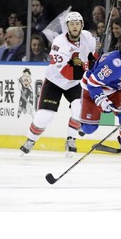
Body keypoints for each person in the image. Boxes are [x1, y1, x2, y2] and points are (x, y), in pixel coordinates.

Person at [20, 12, 97, 157]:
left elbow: (93, 57)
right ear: (67, 26)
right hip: (55, 81)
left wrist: (94, 61)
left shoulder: (89, 38)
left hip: (75, 83)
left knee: (79, 109)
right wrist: (88, 66)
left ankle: (71, 139)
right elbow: (67, 72)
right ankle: (31, 139)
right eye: (71, 24)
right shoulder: (58, 43)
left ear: (82, 25)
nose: (75, 26)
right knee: (45, 116)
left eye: (77, 23)